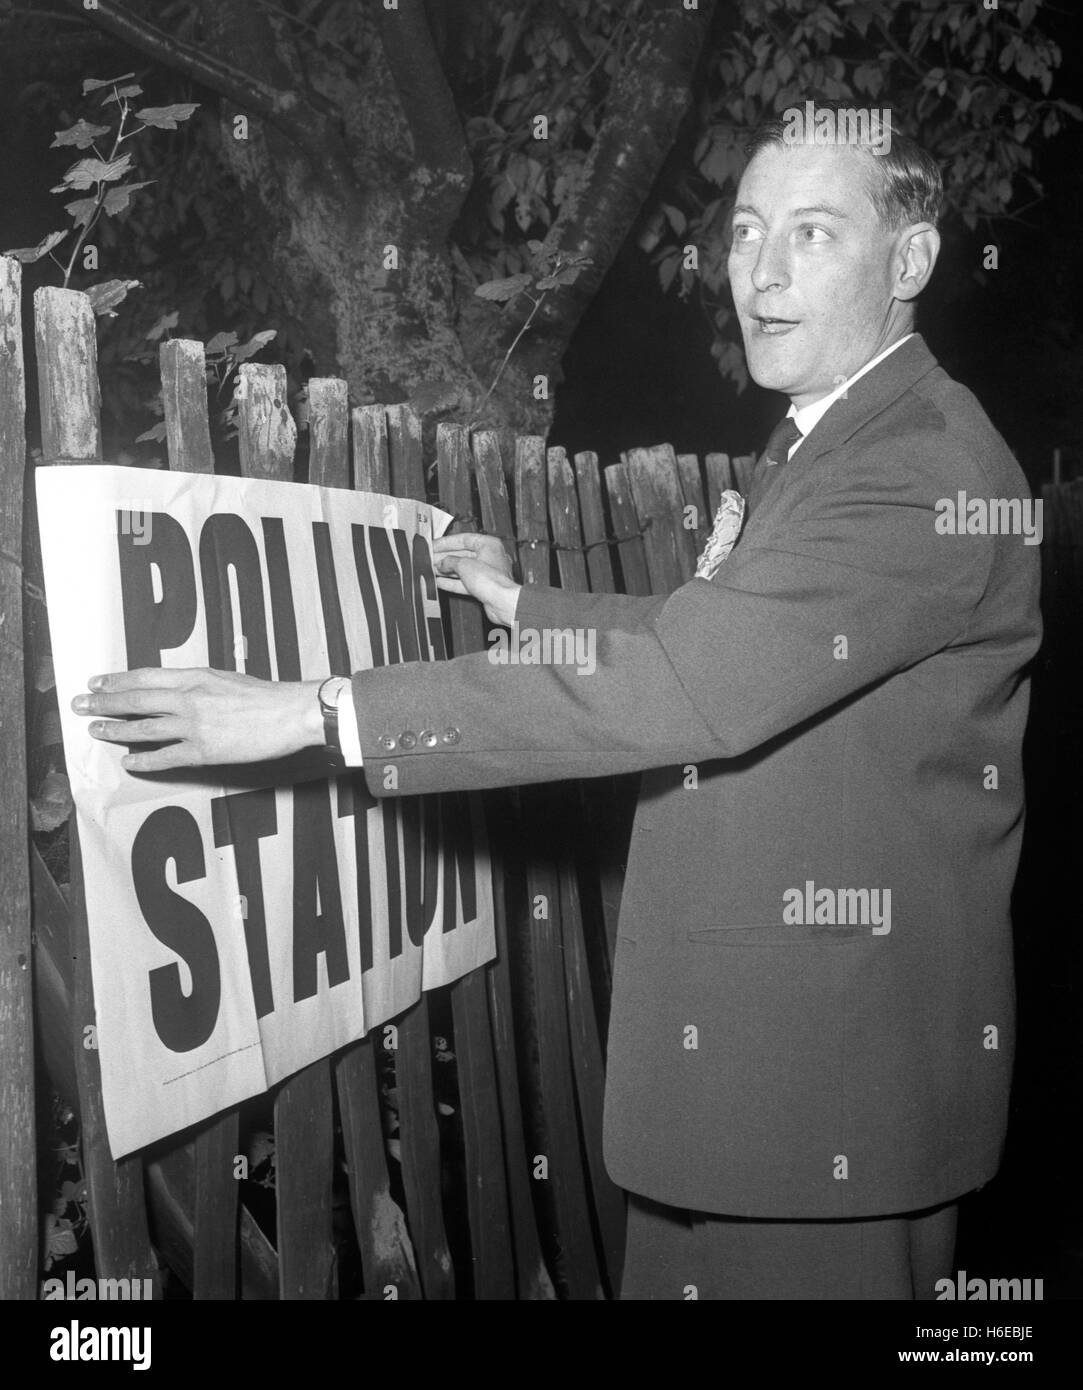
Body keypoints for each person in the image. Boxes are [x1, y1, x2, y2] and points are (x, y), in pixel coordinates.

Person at [72, 109, 1042, 1300]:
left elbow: (690, 683)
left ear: (910, 263)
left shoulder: (923, 467)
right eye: (745, 233)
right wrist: (525, 602)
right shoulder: (820, 442)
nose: (764, 273)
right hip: (747, 1096)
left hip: (822, 1107)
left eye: (813, 233)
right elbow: (714, 640)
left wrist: (310, 712)